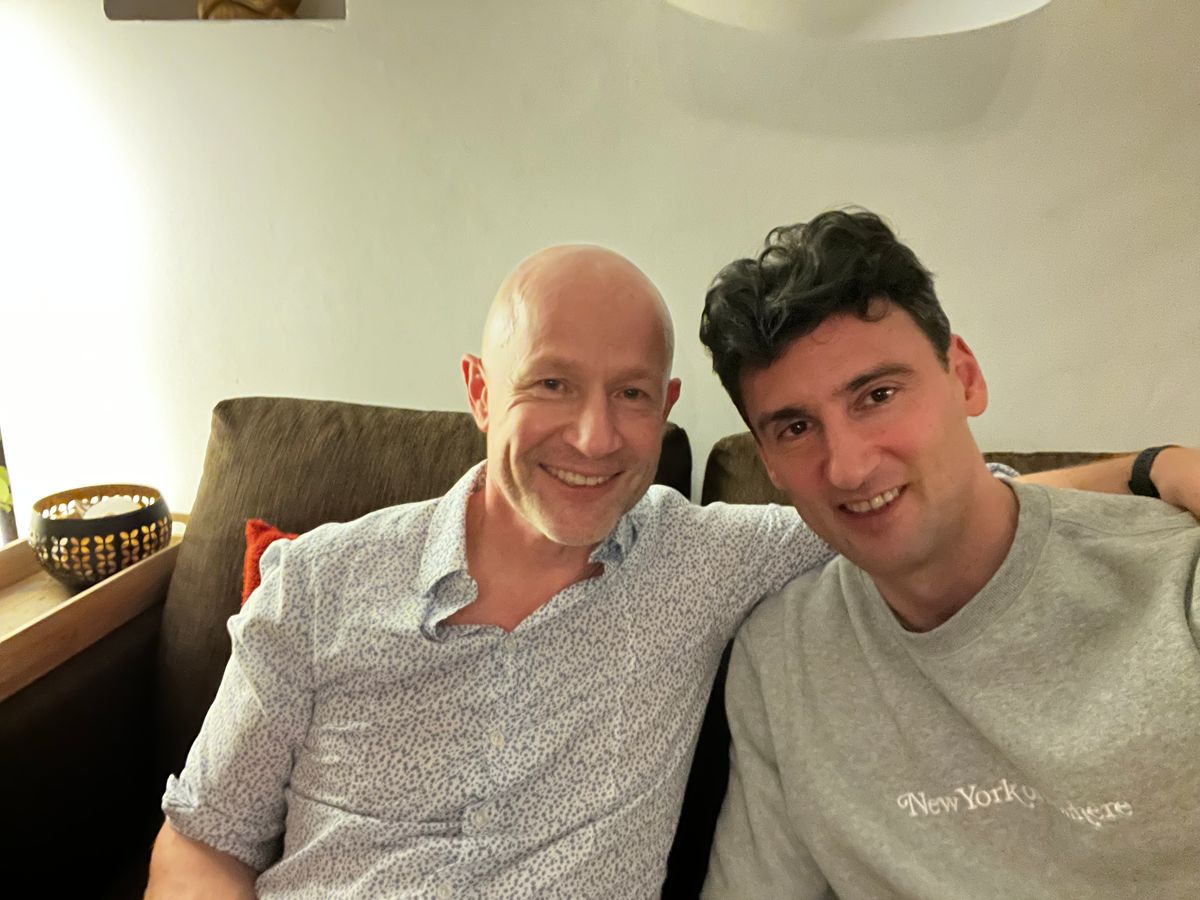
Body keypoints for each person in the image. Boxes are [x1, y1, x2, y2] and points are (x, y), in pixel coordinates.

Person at [146, 244, 1197, 898]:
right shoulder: (317, 587)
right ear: (478, 389)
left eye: (634, 396)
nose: (595, 438)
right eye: (551, 384)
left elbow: (931, 501)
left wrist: (1156, 468)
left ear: (669, 403)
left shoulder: (702, 560)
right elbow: (200, 844)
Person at [698, 209, 1200, 899]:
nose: (846, 467)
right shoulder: (779, 656)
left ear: (964, 377)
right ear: (769, 464)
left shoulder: (1176, 582)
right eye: (795, 427)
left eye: (877, 395)